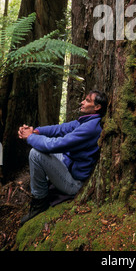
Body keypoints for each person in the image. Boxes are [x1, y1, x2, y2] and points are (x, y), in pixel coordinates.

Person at [18, 90, 107, 225]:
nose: (82, 102)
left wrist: (30, 137)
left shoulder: (90, 128)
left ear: (97, 107)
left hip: (74, 184)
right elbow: (61, 129)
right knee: (40, 150)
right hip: (69, 165)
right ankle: (44, 186)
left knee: (36, 154)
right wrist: (36, 131)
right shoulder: (86, 121)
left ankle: (39, 202)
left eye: (87, 100)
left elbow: (55, 145)